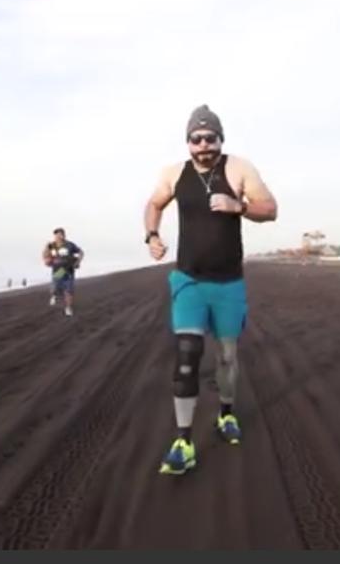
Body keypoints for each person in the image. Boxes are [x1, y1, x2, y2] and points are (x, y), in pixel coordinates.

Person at [144, 104, 278, 475]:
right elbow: (153, 204)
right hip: (188, 280)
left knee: (227, 356)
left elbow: (270, 209)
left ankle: (226, 414)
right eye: (196, 139)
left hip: (228, 283)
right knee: (187, 355)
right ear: (187, 141)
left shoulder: (239, 168)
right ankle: (183, 441)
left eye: (210, 138)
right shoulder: (173, 173)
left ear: (221, 139)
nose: (203, 145)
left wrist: (239, 205)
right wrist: (152, 235)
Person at [42, 227, 84, 317]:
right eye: (56, 235)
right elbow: (45, 256)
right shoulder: (51, 245)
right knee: (55, 287)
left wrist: (78, 262)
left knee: (69, 291)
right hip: (58, 271)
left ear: (64, 235)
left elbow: (81, 252)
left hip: (69, 269)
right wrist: (46, 260)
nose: (58, 236)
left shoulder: (70, 245)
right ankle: (54, 295)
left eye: (60, 234)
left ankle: (68, 308)